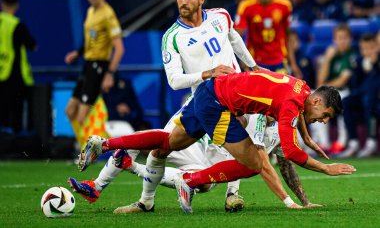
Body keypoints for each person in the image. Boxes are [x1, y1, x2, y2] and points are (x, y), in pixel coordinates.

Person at [72, 0, 259, 213]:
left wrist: (252, 67)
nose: (184, 2)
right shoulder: (172, 37)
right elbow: (174, 81)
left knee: (206, 180)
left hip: (227, 104)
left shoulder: (221, 16)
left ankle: (137, 181)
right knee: (157, 147)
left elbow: (234, 38)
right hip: (199, 104)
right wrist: (207, 73)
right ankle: (106, 190)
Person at [79, 70, 356, 214]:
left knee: (167, 143)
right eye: (325, 115)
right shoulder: (291, 104)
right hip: (218, 106)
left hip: (208, 91)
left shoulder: (302, 87)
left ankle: (104, 145)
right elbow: (292, 153)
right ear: (317, 101)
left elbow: (300, 116)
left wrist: (307, 136)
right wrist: (327, 168)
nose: (323, 120)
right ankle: (191, 181)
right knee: (256, 163)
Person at [69, 112, 324, 213]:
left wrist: (303, 200)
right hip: (195, 137)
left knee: (200, 183)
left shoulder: (281, 132)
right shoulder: (248, 110)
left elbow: (282, 164)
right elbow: (252, 159)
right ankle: (97, 185)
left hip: (206, 164)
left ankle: (142, 194)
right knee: (152, 144)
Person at [64, 0, 124, 149]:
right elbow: (91, 39)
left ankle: (85, 150)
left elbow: (119, 49)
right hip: (87, 64)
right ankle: (85, 146)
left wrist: (109, 74)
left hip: (99, 66)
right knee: (70, 112)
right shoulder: (91, 11)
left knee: (82, 114)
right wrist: (77, 53)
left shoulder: (108, 14)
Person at [235, 0, 302, 78]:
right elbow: (237, 36)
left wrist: (293, 64)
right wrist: (243, 59)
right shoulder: (245, 6)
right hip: (255, 62)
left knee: (281, 92)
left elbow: (288, 37)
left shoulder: (285, 5)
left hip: (279, 60)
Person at [316, 24, 356, 155]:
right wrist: (327, 59)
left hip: (349, 91)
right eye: (339, 38)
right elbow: (320, 81)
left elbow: (343, 80)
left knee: (342, 100)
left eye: (345, 38)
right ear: (334, 40)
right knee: (315, 101)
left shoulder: (352, 55)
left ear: (350, 39)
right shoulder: (333, 56)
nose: (342, 41)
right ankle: (324, 143)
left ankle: (342, 143)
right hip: (332, 91)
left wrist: (325, 87)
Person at [0, 0, 36, 134]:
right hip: (13, 73)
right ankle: (14, 144)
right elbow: (32, 45)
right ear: (17, 5)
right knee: (16, 110)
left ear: (2, 4)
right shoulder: (16, 24)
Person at [340, 33, 380, 158]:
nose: (367, 51)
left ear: (376, 47)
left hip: (375, 101)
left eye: (370, 48)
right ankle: (353, 142)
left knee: (369, 99)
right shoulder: (358, 62)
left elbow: (375, 86)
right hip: (362, 99)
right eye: (364, 48)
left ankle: (371, 142)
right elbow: (354, 86)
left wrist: (374, 65)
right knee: (346, 101)